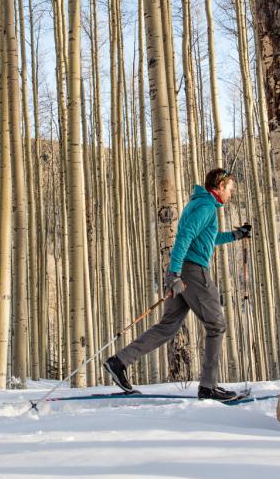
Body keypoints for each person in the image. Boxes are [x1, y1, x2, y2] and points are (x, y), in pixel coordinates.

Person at [103, 168, 253, 402]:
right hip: (192, 271)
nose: (231, 194)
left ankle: (119, 361)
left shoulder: (200, 205)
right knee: (216, 325)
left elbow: (207, 238)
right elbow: (183, 237)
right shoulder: (205, 207)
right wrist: (174, 274)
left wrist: (235, 235)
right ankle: (208, 387)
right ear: (220, 186)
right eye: (230, 189)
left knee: (168, 326)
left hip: (182, 269)